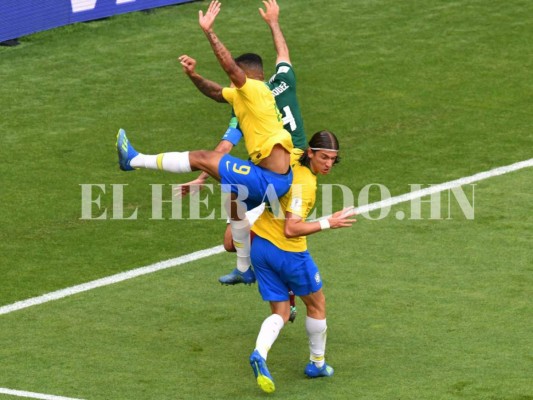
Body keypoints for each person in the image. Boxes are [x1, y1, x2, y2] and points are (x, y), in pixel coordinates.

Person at [116, 0, 293, 277]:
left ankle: (134, 160)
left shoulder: (256, 90)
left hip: (270, 179)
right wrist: (193, 75)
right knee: (232, 208)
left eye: (237, 75)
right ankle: (245, 267)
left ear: (247, 75)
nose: (232, 80)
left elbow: (229, 69)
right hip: (267, 177)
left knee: (202, 157)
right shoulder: (242, 98)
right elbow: (214, 92)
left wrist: (209, 32)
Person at [177, 0, 307, 288]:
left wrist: (201, 176)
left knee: (282, 238)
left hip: (286, 175)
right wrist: (273, 22)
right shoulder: (285, 80)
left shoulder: (247, 102)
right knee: (232, 239)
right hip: (283, 168)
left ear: (246, 78)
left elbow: (224, 147)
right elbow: (283, 53)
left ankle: (287, 294)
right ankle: (250, 269)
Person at [247, 130, 356, 393]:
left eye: (332, 159)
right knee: (317, 304)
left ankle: (259, 354)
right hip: (288, 253)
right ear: (311, 153)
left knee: (281, 312)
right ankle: (317, 364)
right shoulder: (305, 184)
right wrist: (329, 222)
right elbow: (291, 229)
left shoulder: (291, 156)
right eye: (323, 157)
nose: (328, 163)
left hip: (260, 245)